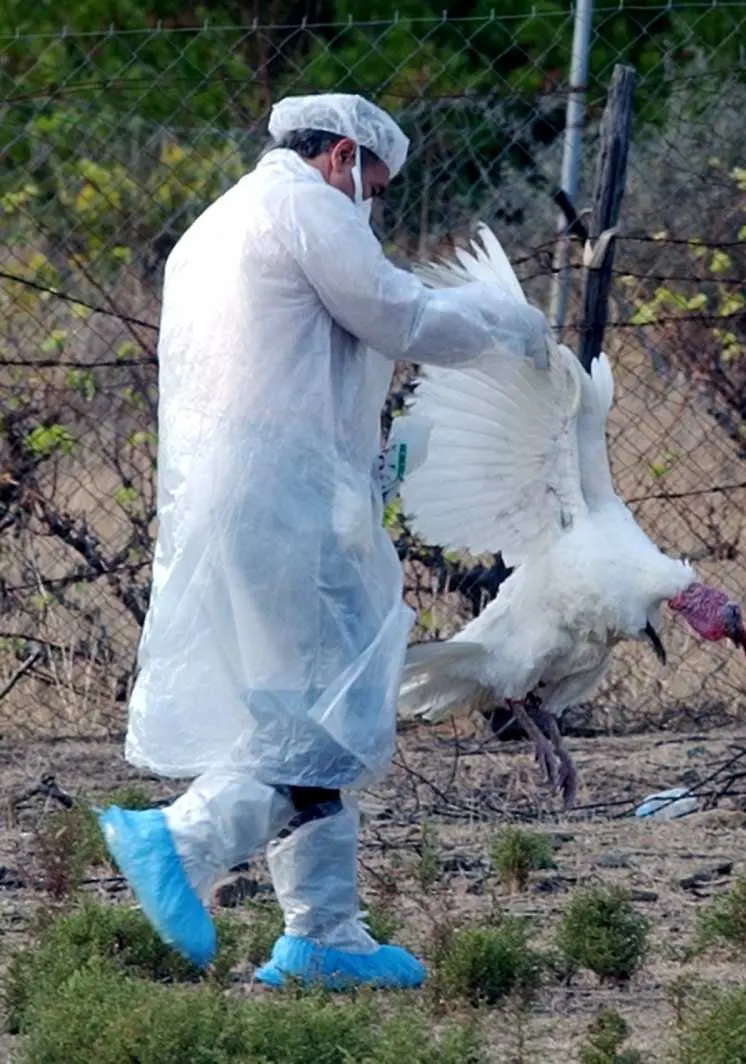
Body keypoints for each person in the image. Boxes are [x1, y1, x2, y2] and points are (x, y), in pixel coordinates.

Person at [99, 92, 550, 991]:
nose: (371, 207)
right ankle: (180, 842)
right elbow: (401, 317)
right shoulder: (305, 205)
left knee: (295, 707)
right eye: (373, 187)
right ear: (343, 156)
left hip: (239, 498)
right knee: (323, 712)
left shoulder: (220, 222)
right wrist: (508, 326)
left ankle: (323, 938)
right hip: (288, 499)